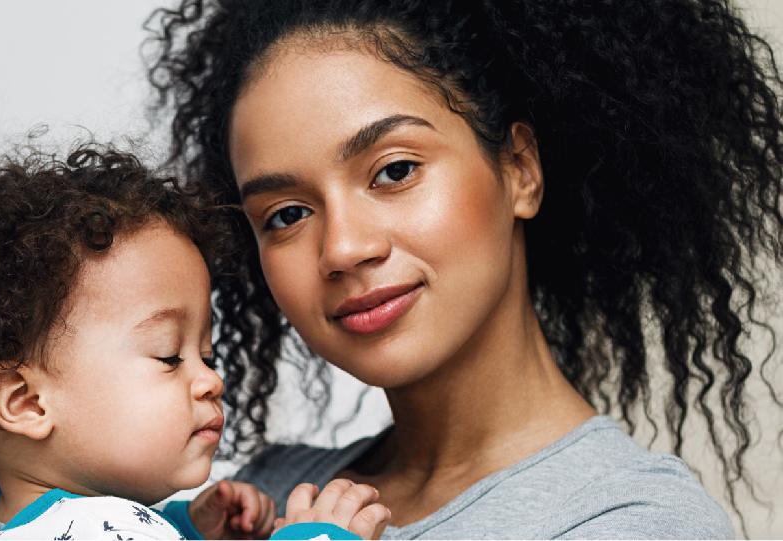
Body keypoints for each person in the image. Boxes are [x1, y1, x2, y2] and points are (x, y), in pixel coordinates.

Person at [146, 0, 783, 537]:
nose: (342, 248)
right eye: (286, 214)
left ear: (520, 171)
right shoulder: (256, 502)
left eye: (394, 171)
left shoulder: (624, 522)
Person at [0, 144, 390, 539]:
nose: (212, 379)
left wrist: (186, 528)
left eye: (208, 355)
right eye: (169, 355)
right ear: (26, 401)